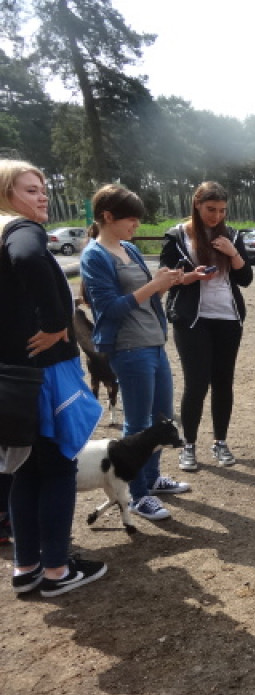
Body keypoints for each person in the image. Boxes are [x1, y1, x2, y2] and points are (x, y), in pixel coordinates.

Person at [0, 159, 106, 596]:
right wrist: (58, 321)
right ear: (7, 194)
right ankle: (58, 571)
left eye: (43, 187)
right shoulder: (22, 232)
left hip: (12, 375)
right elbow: (28, 257)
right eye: (29, 189)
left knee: (24, 471)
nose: (41, 196)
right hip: (42, 377)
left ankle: (26, 567)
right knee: (59, 466)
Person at [80, 184, 190, 522]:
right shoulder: (95, 256)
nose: (136, 226)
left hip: (153, 343)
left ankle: (151, 478)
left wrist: (173, 283)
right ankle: (136, 494)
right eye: (131, 219)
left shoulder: (128, 247)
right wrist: (154, 286)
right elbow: (109, 309)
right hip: (129, 348)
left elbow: (147, 295)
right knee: (138, 423)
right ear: (107, 217)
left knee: (161, 418)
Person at [160, 181, 253, 472]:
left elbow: (246, 279)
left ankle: (220, 441)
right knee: (197, 383)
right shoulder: (177, 235)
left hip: (228, 318)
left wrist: (232, 253)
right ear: (197, 204)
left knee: (223, 383)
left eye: (222, 211)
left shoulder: (232, 235)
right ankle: (188, 445)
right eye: (211, 209)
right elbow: (166, 277)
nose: (216, 216)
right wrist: (191, 276)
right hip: (192, 320)